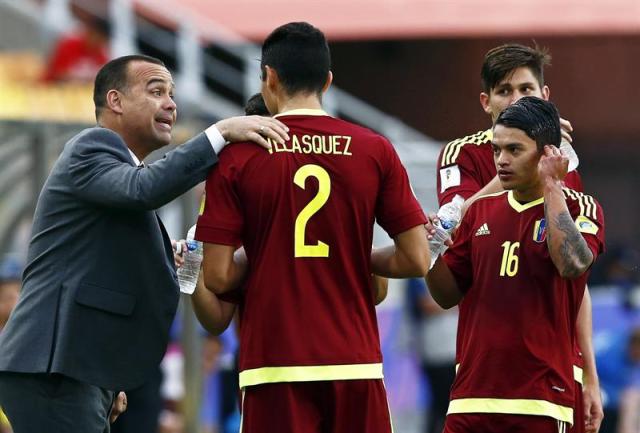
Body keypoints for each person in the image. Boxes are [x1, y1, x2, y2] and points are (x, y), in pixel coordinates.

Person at [0, 54, 289, 433]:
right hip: (54, 369)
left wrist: (110, 377)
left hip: (78, 370)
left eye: (171, 93)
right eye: (156, 91)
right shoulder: (92, 147)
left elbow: (102, 273)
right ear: (115, 101)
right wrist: (220, 134)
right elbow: (143, 189)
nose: (170, 103)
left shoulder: (119, 177)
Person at [194, 22, 429, 433]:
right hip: (355, 365)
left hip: (274, 369)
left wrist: (269, 255)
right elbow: (416, 258)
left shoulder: (238, 157)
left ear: (269, 77)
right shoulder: (375, 149)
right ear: (328, 81)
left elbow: (216, 275)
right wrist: (351, 255)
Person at [435, 43, 602, 433]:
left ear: (545, 95)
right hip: (485, 372)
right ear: (485, 100)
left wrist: (589, 372)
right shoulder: (462, 154)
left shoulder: (562, 166)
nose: (515, 99)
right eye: (504, 91)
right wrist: (521, 156)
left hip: (554, 370)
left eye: (526, 90)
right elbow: (455, 228)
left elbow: (575, 276)